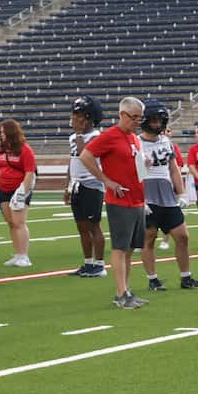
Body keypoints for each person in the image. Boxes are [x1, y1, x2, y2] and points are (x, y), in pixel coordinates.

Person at [79, 98, 150, 309]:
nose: (138, 121)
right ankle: (120, 293)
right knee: (120, 248)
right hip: (120, 201)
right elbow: (86, 155)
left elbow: (133, 164)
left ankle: (126, 290)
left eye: (140, 117)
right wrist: (106, 181)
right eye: (134, 117)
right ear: (122, 114)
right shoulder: (110, 135)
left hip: (136, 199)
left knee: (129, 249)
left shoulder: (134, 138)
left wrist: (145, 164)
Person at [135, 103, 198, 291]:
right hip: (147, 193)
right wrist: (140, 199)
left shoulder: (166, 142)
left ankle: (186, 277)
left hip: (166, 194)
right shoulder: (136, 142)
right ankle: (153, 279)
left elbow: (173, 169)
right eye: (154, 120)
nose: (157, 124)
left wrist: (181, 193)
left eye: (160, 121)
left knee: (182, 236)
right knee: (149, 238)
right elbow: (132, 173)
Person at [64, 98, 109, 282]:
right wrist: (67, 185)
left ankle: (99, 264)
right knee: (81, 226)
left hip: (92, 184)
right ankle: (88, 262)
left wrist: (80, 135)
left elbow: (85, 156)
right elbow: (72, 161)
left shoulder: (97, 137)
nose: (75, 119)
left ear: (89, 118)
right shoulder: (73, 137)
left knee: (93, 226)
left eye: (79, 116)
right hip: (77, 185)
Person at [0, 117, 38, 266]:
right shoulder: (2, 149)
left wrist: (23, 192)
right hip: (4, 189)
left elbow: (30, 172)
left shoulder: (25, 149)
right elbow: (1, 169)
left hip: (19, 189)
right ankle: (17, 254)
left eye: (3, 132)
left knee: (19, 222)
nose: (1, 135)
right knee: (10, 223)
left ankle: (24, 256)